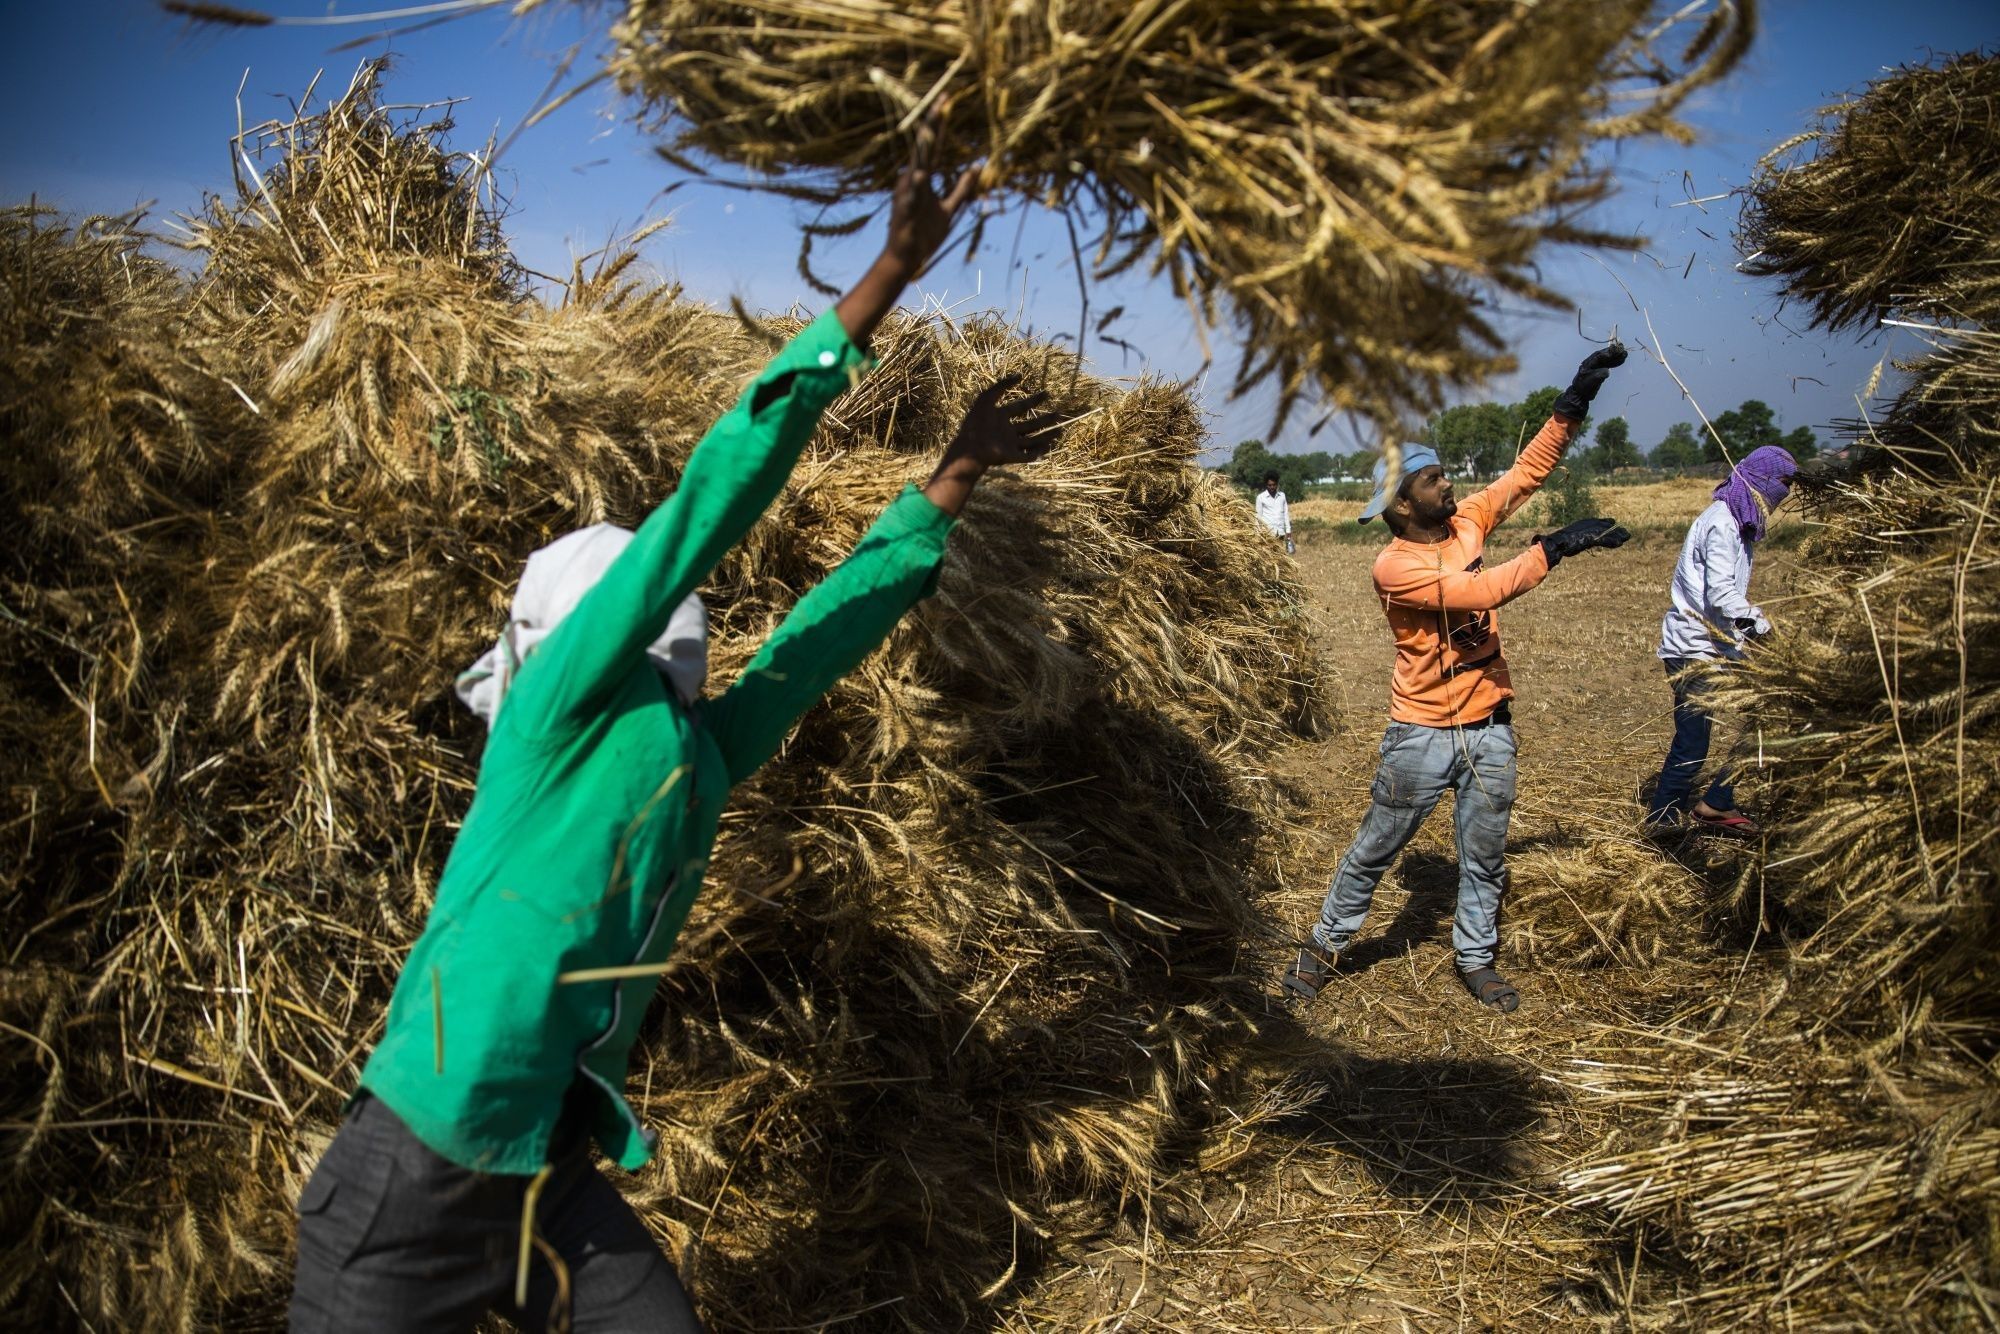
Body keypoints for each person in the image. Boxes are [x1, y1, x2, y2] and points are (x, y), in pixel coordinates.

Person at [288, 133, 1060, 1333]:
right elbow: (704, 508)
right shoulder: (555, 715)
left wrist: (950, 476)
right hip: (411, 1177)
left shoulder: (693, 753)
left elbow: (813, 646)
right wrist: (881, 284)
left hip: (548, 1173)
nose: (680, 622)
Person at [1279, 344, 1632, 1013]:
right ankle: (1324, 946)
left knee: (1486, 856)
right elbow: (1485, 592)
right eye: (1435, 480)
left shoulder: (1465, 521)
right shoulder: (1394, 566)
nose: (1450, 486)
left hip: (1489, 729)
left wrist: (1571, 404)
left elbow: (1525, 475)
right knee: (1375, 848)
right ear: (1404, 502)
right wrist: (1554, 547)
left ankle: (1474, 958)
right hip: (1422, 736)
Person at [1645, 444, 1798, 834]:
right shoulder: (1722, 524)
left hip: (1720, 648)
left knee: (1769, 714)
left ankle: (1717, 801)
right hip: (1694, 650)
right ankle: (1662, 819)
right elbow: (1721, 596)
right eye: (1780, 485)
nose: (1782, 496)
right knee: (1693, 741)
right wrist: (1763, 628)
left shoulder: (1738, 523)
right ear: (1761, 482)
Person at [1255, 470, 1295, 554]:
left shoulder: (1282, 496)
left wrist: (1288, 530)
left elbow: (1285, 514)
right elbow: (1258, 517)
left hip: (1280, 533)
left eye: (1274, 485)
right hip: (1267, 534)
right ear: (1266, 485)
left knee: (1281, 556)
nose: (1272, 487)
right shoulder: (1261, 498)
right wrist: (1258, 534)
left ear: (1277, 484)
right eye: (1269, 485)